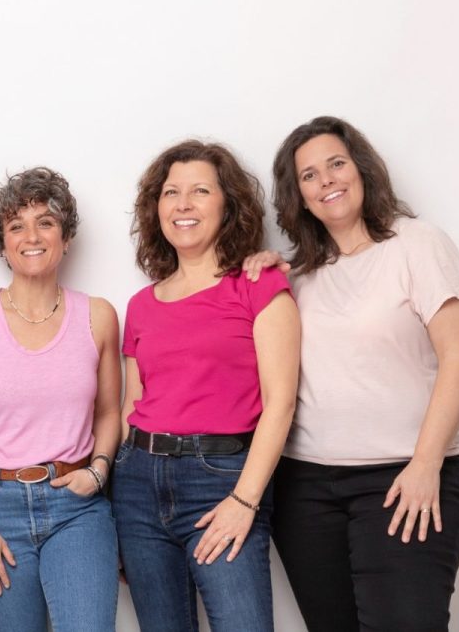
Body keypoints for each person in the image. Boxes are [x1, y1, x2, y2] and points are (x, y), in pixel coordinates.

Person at [243, 116, 459, 631]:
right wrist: (265, 271)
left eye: (336, 164)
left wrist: (425, 464)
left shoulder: (418, 244)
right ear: (299, 196)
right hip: (306, 489)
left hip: (404, 476)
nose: (326, 180)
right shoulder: (298, 275)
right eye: (309, 175)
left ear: (362, 170)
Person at [113, 140, 300, 631]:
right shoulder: (141, 305)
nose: (183, 204)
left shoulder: (259, 285)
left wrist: (244, 500)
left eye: (200, 191)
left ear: (227, 204)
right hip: (137, 484)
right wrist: (116, 506)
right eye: (171, 192)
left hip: (221, 480)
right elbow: (132, 405)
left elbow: (281, 404)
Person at [0, 167, 120, 631]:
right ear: (2, 244)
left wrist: (98, 471)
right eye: (17, 226)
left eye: (46, 222)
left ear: (66, 237)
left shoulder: (98, 316)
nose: (32, 236)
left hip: (76, 506)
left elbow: (109, 412)